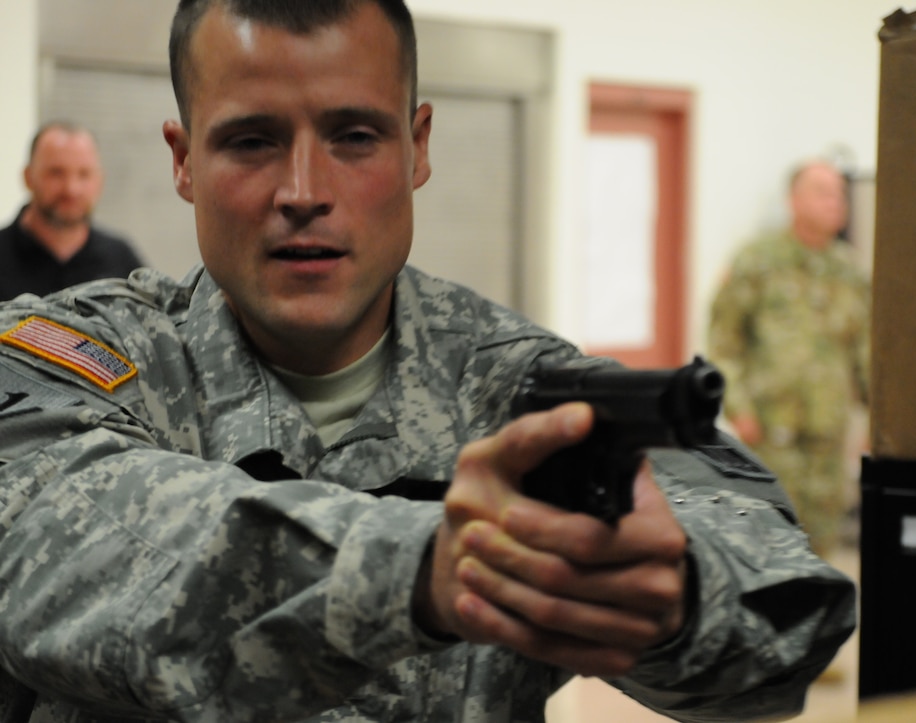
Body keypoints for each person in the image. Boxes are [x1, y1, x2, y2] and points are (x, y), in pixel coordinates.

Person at [0, 2, 856, 721]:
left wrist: (668, 597)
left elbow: (779, 598)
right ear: (184, 160)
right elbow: (70, 544)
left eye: (354, 136)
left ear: (418, 147)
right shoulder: (70, 357)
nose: (303, 189)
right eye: (253, 141)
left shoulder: (526, 388)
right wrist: (440, 567)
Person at [707, 160, 871, 560]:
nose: (835, 203)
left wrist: (876, 420)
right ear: (793, 200)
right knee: (767, 543)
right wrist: (739, 409)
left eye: (840, 194)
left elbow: (865, 352)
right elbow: (724, 343)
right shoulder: (757, 261)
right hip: (769, 432)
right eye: (822, 192)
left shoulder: (850, 270)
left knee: (820, 550)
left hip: (827, 437)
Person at [0, 122, 144, 301]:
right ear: (28, 177)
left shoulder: (122, 261)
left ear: (100, 181)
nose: (71, 189)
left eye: (84, 174)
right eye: (56, 173)